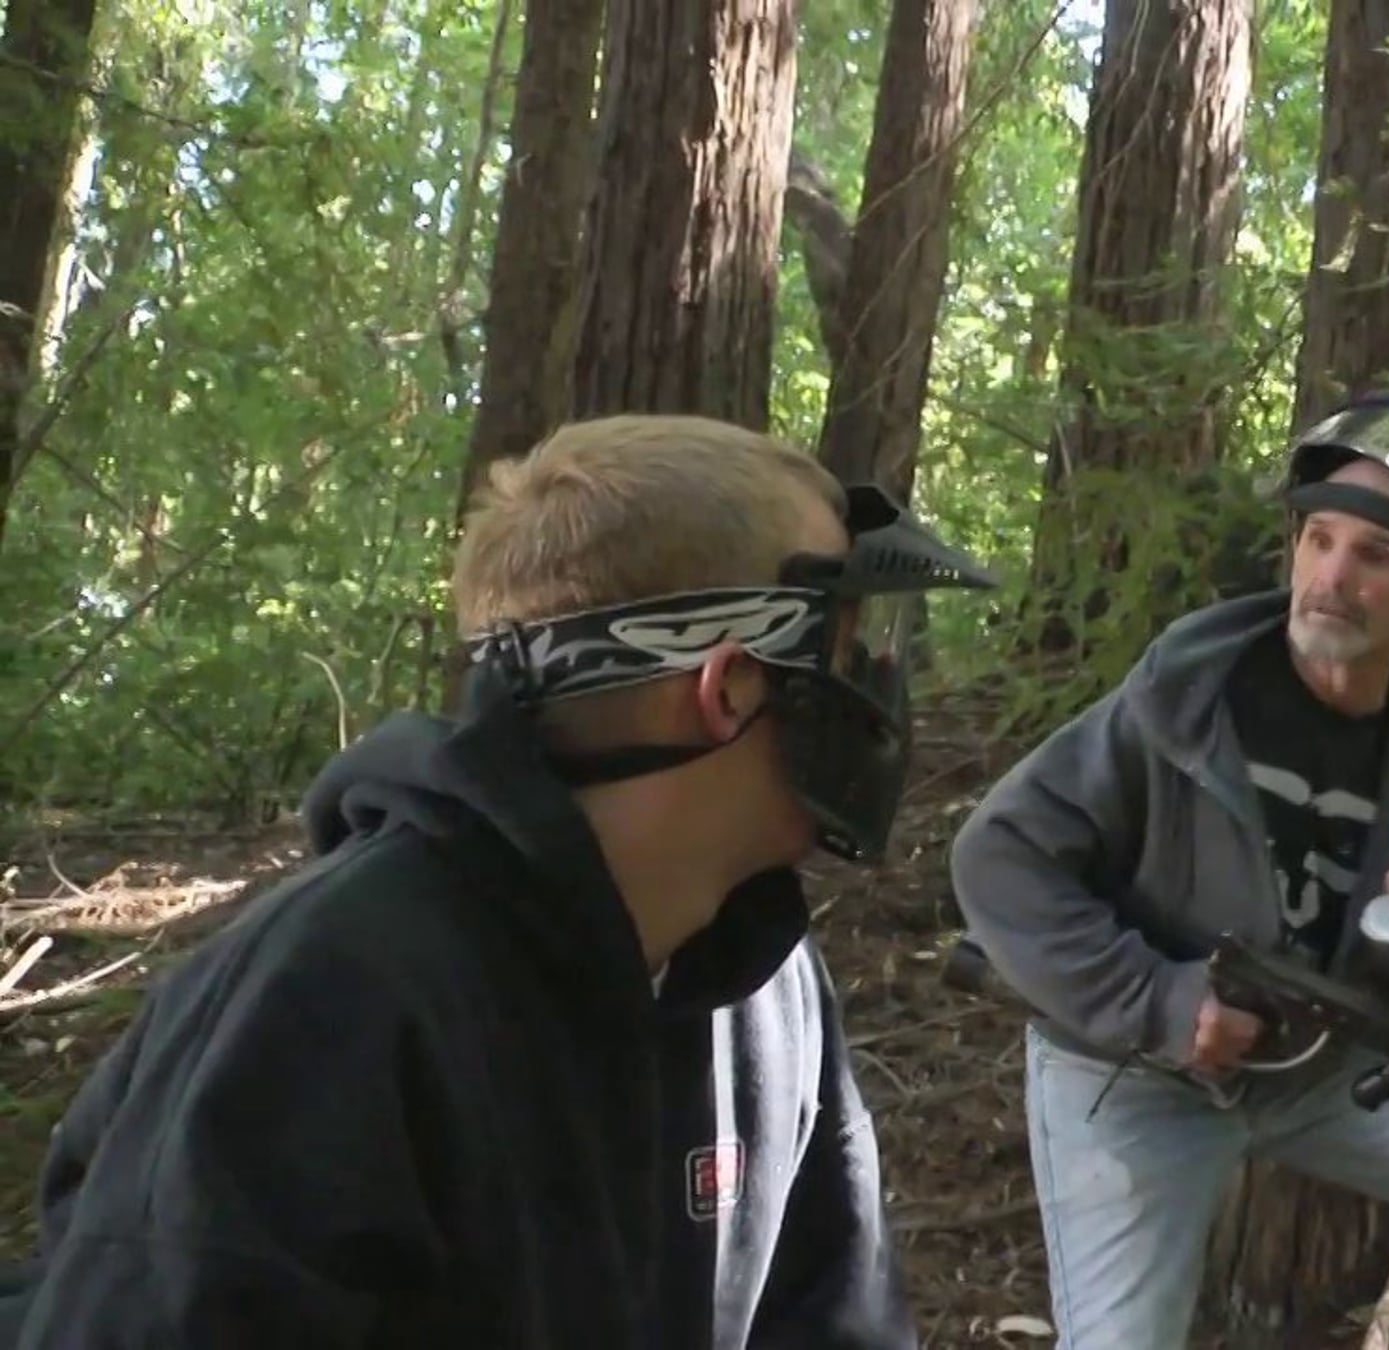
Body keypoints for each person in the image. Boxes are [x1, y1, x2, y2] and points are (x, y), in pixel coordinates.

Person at [0, 415, 995, 1347]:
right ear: (726, 686)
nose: (879, 688)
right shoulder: (331, 1000)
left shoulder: (763, 978)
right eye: (847, 647)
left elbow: (834, 1321)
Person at [948, 395, 1389, 1349]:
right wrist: (1164, 1001)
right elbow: (998, 856)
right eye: (1319, 541)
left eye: (1374, 555)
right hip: (1135, 1075)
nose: (1333, 578)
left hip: (1322, 1069)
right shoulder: (1185, 695)